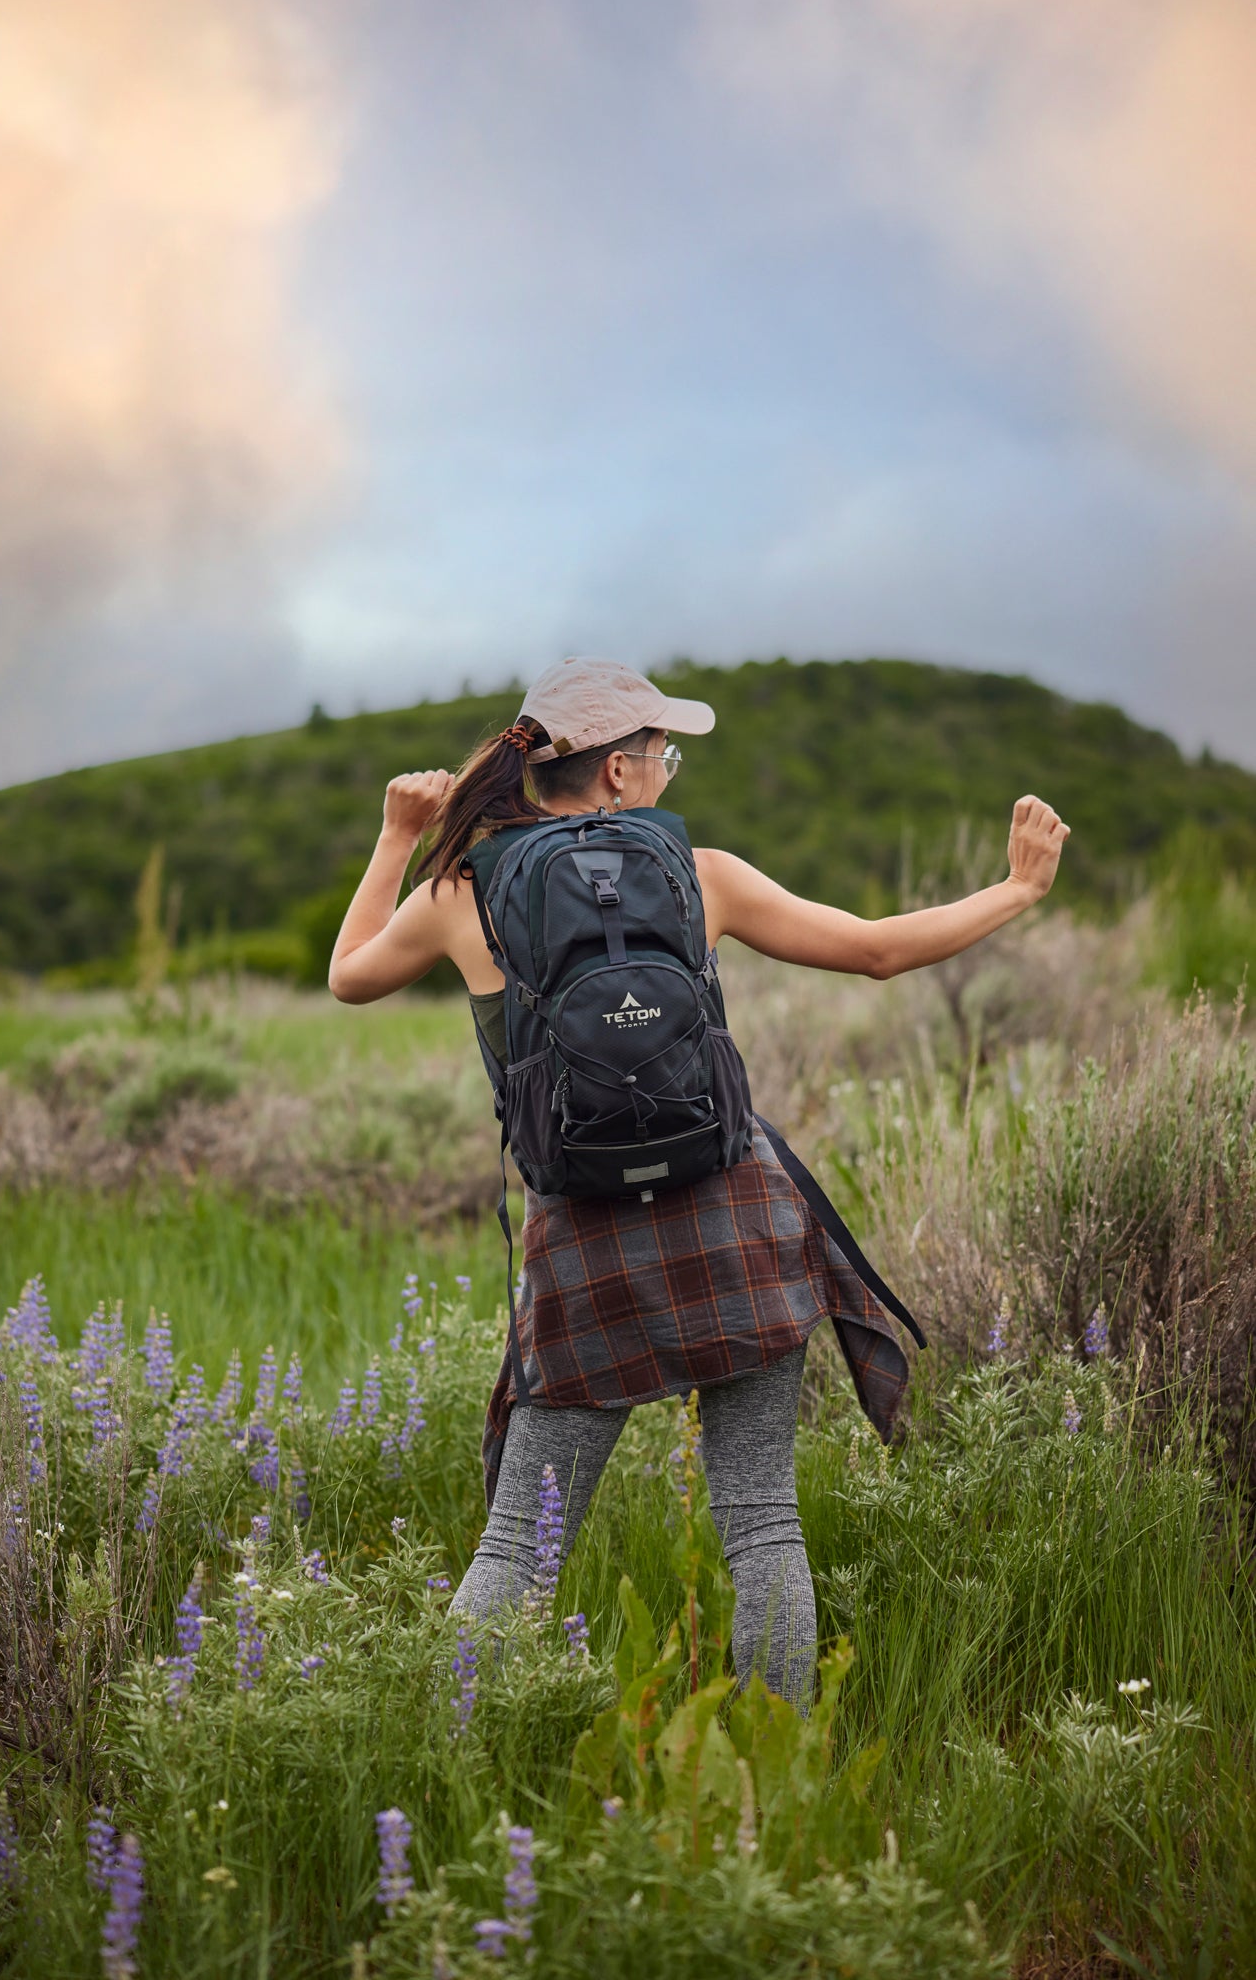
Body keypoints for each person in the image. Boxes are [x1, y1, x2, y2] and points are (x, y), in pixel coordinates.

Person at [328, 658, 1069, 1706]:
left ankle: (458, 1748)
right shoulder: (701, 872)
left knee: (517, 1548)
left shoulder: (463, 893)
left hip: (582, 1250)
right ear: (619, 774)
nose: (667, 770)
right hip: (732, 1222)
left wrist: (400, 833)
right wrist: (1017, 888)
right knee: (761, 1516)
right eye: (661, 752)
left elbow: (347, 974)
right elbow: (872, 952)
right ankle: (778, 1764)